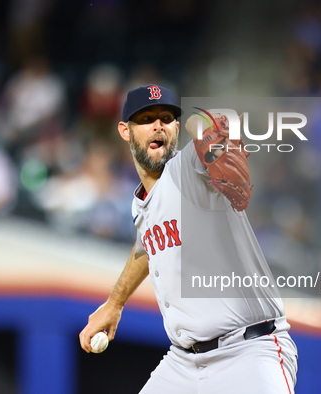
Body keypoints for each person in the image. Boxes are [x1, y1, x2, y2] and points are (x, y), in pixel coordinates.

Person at [79, 84, 298, 393]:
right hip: (183, 363)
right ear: (125, 131)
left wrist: (212, 131)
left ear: (177, 128)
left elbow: (223, 125)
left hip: (248, 352)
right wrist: (115, 303)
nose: (158, 125)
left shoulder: (189, 167)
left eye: (166, 118)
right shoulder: (142, 203)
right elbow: (146, 246)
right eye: (146, 119)